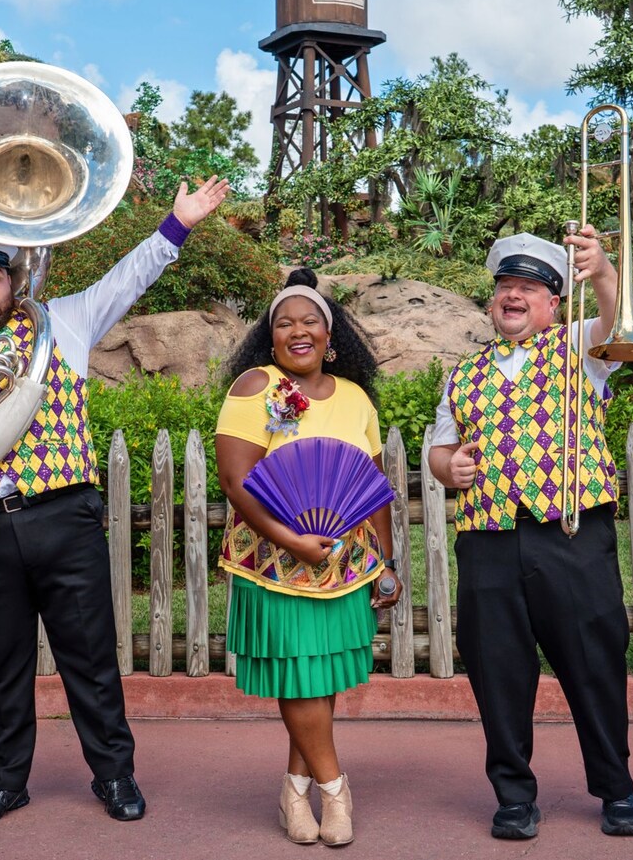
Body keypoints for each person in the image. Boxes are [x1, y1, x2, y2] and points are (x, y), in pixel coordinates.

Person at [0, 177, 230, 829]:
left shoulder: (62, 321)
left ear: (12, 280)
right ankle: (5, 781)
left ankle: (114, 774)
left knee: (90, 655)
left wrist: (178, 223)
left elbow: (129, 277)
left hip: (64, 517)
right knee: (0, 665)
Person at [426, 230, 633, 842]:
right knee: (497, 670)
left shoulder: (579, 346)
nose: (513, 297)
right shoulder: (463, 373)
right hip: (489, 539)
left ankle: (616, 788)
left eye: (529, 288)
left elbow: (613, 318)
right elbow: (439, 452)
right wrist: (451, 468)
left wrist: (601, 268)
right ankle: (514, 796)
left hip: (570, 535)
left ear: (554, 303)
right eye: (504, 288)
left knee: (593, 663)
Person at [215, 268, 402, 847]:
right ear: (269, 339)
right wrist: (290, 539)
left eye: (310, 321)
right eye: (284, 323)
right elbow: (235, 480)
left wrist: (387, 562)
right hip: (273, 559)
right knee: (299, 674)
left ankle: (294, 792)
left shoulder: (356, 398)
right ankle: (335, 788)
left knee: (316, 677)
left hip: (346, 562)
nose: (299, 331)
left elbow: (371, 486)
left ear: (330, 333)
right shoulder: (255, 386)